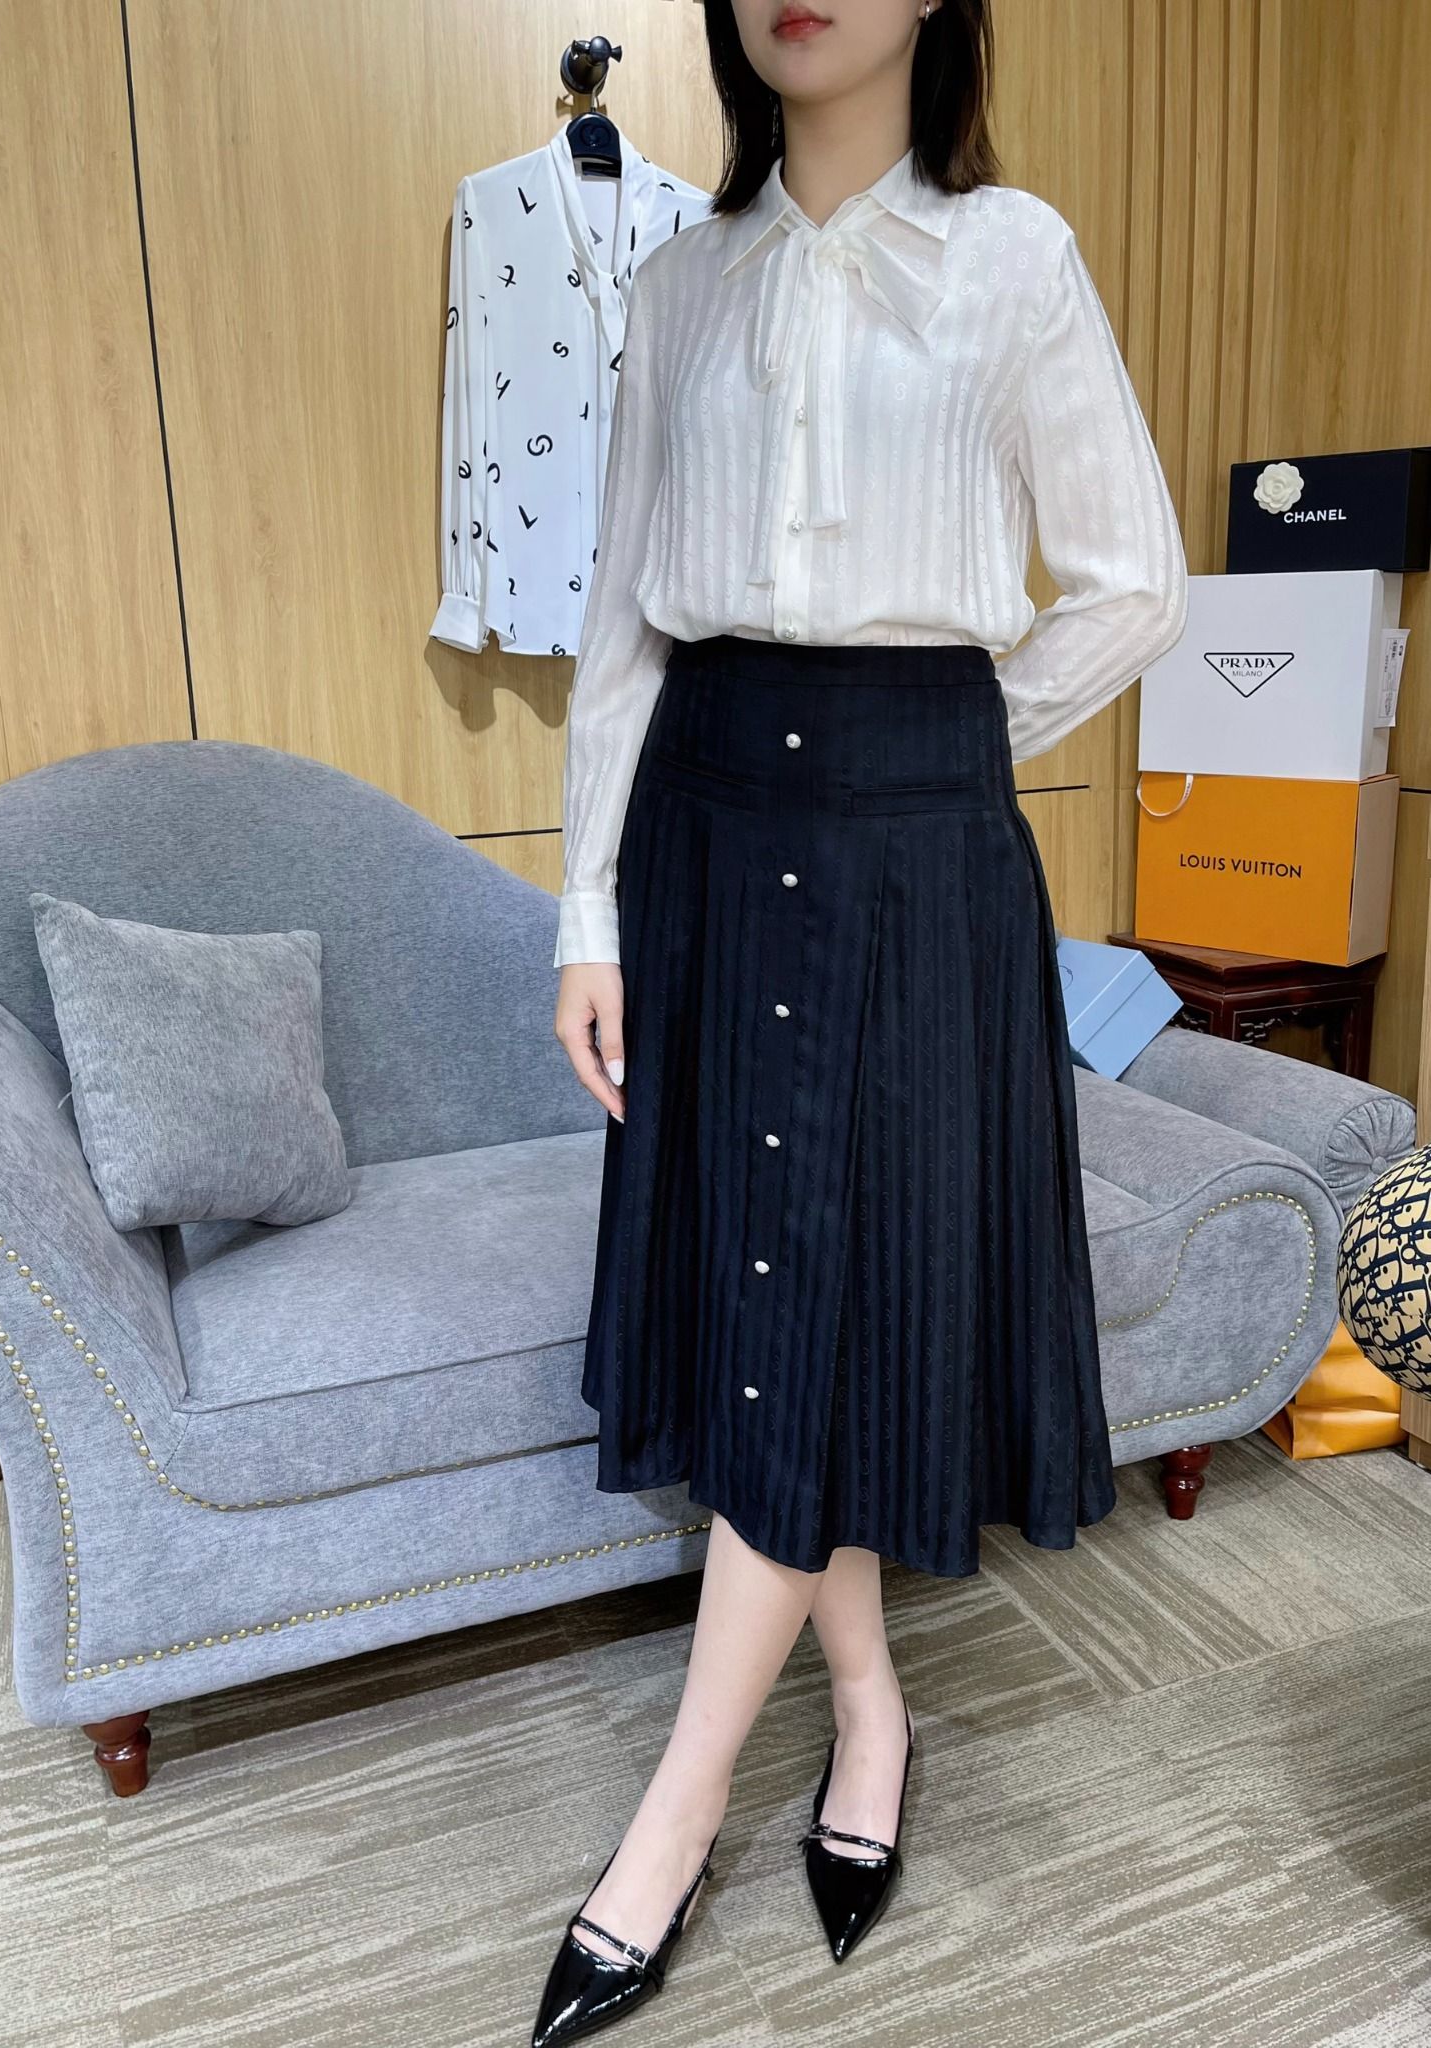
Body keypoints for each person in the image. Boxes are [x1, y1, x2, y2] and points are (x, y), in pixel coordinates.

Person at [536, 0, 1188, 2039]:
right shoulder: (676, 283)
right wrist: (583, 909)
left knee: (821, 1280)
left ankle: (675, 1811)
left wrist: (944, 743)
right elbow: (620, 623)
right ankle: (870, 1700)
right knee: (766, 1286)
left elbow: (1132, 579)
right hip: (705, 824)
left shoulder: (1011, 258)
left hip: (913, 843)